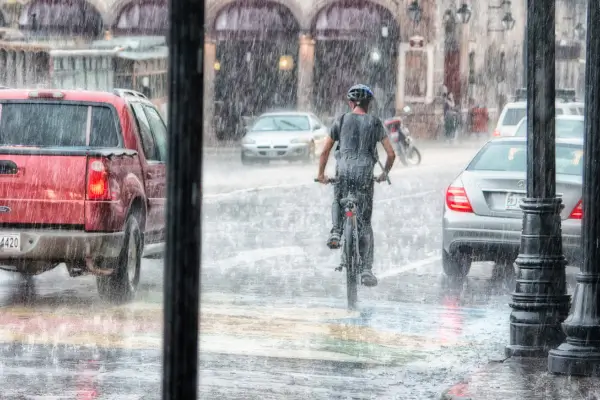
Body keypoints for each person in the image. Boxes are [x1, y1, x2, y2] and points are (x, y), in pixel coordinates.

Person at [316, 84, 396, 287]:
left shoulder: (341, 120)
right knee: (365, 224)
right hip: (364, 177)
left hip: (343, 173)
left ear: (350, 103)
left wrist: (321, 174)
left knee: (338, 198)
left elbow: (325, 151)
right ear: (369, 104)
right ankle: (367, 269)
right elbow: (391, 154)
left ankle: (336, 231)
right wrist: (383, 173)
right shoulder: (375, 122)